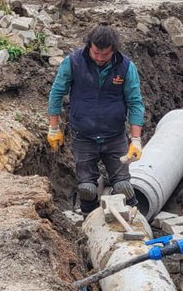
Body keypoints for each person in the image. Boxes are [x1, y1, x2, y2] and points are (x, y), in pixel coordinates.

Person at [46, 24, 145, 215]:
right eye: (95, 53)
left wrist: (136, 140)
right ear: (89, 46)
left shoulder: (125, 67)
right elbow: (56, 93)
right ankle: (89, 223)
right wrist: (53, 127)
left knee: (123, 186)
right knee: (87, 188)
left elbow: (135, 103)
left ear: (113, 51)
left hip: (114, 137)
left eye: (105, 55)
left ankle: (135, 221)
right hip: (84, 137)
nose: (99, 58)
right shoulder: (73, 62)